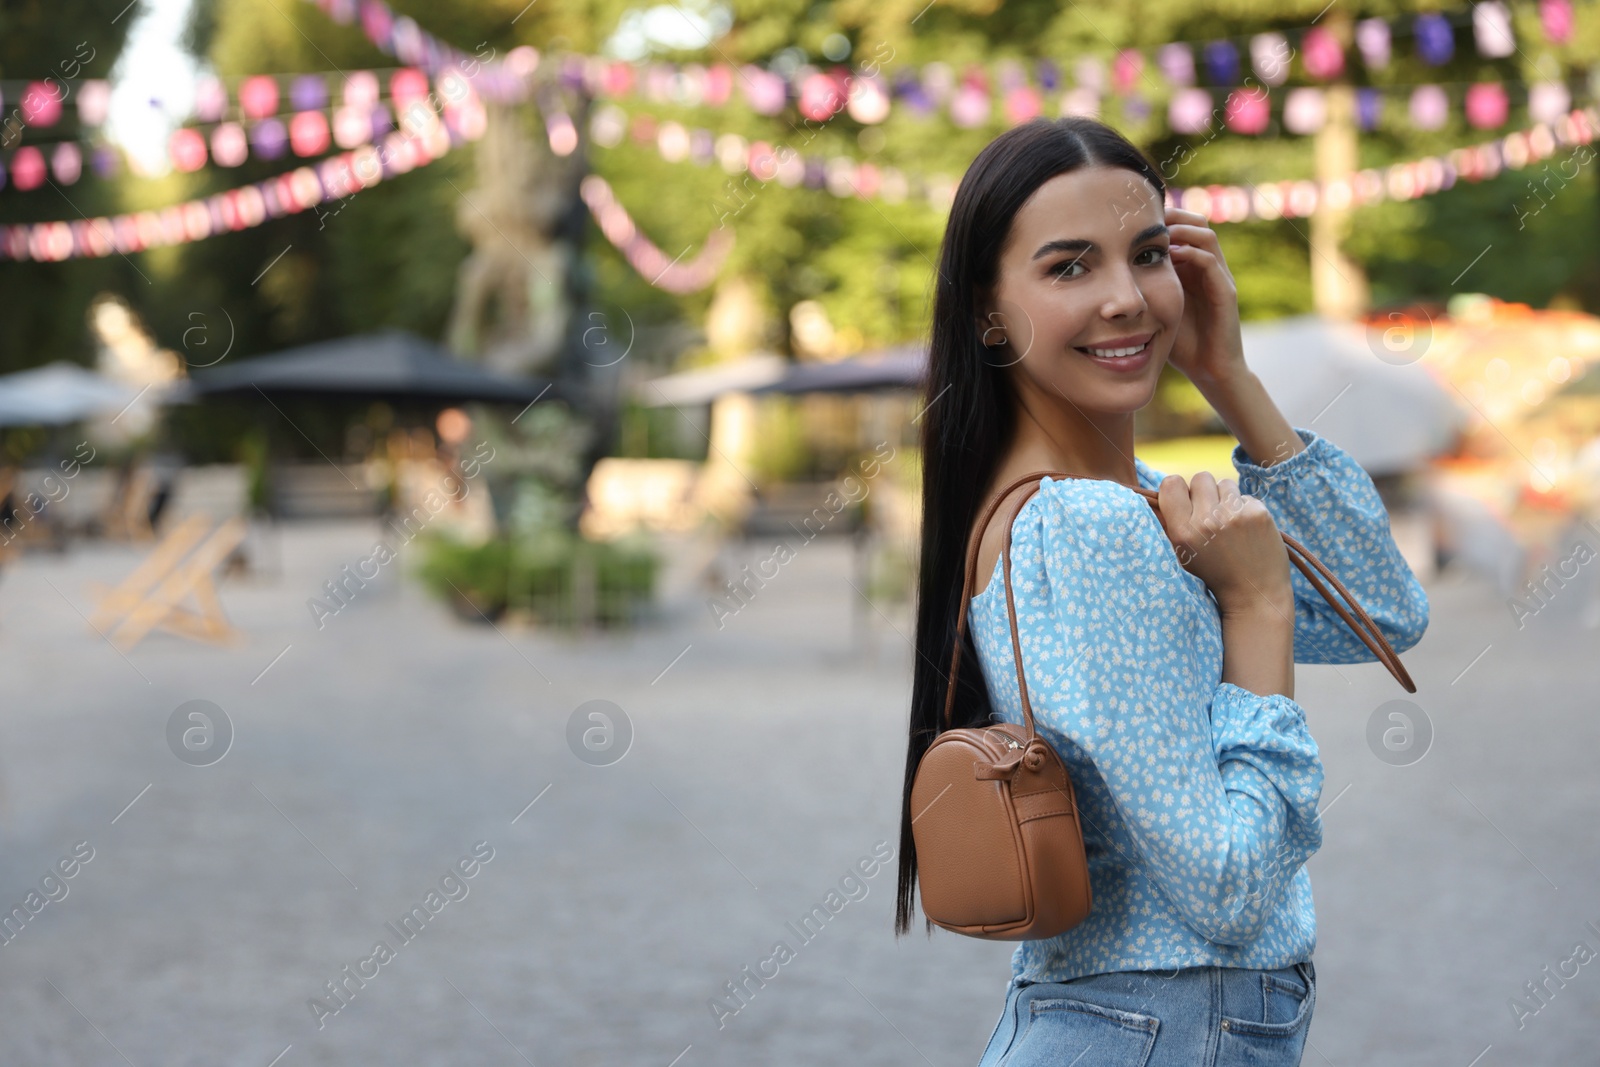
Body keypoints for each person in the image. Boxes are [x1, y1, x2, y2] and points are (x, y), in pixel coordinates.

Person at [893, 116, 1431, 1066]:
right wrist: (1257, 609)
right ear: (986, 310)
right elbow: (1229, 889)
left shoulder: (1122, 505)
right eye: (1069, 267)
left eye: (1148, 256)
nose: (1126, 300)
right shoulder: (1085, 527)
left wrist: (1231, 376)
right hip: (1166, 1025)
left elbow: (1385, 614)